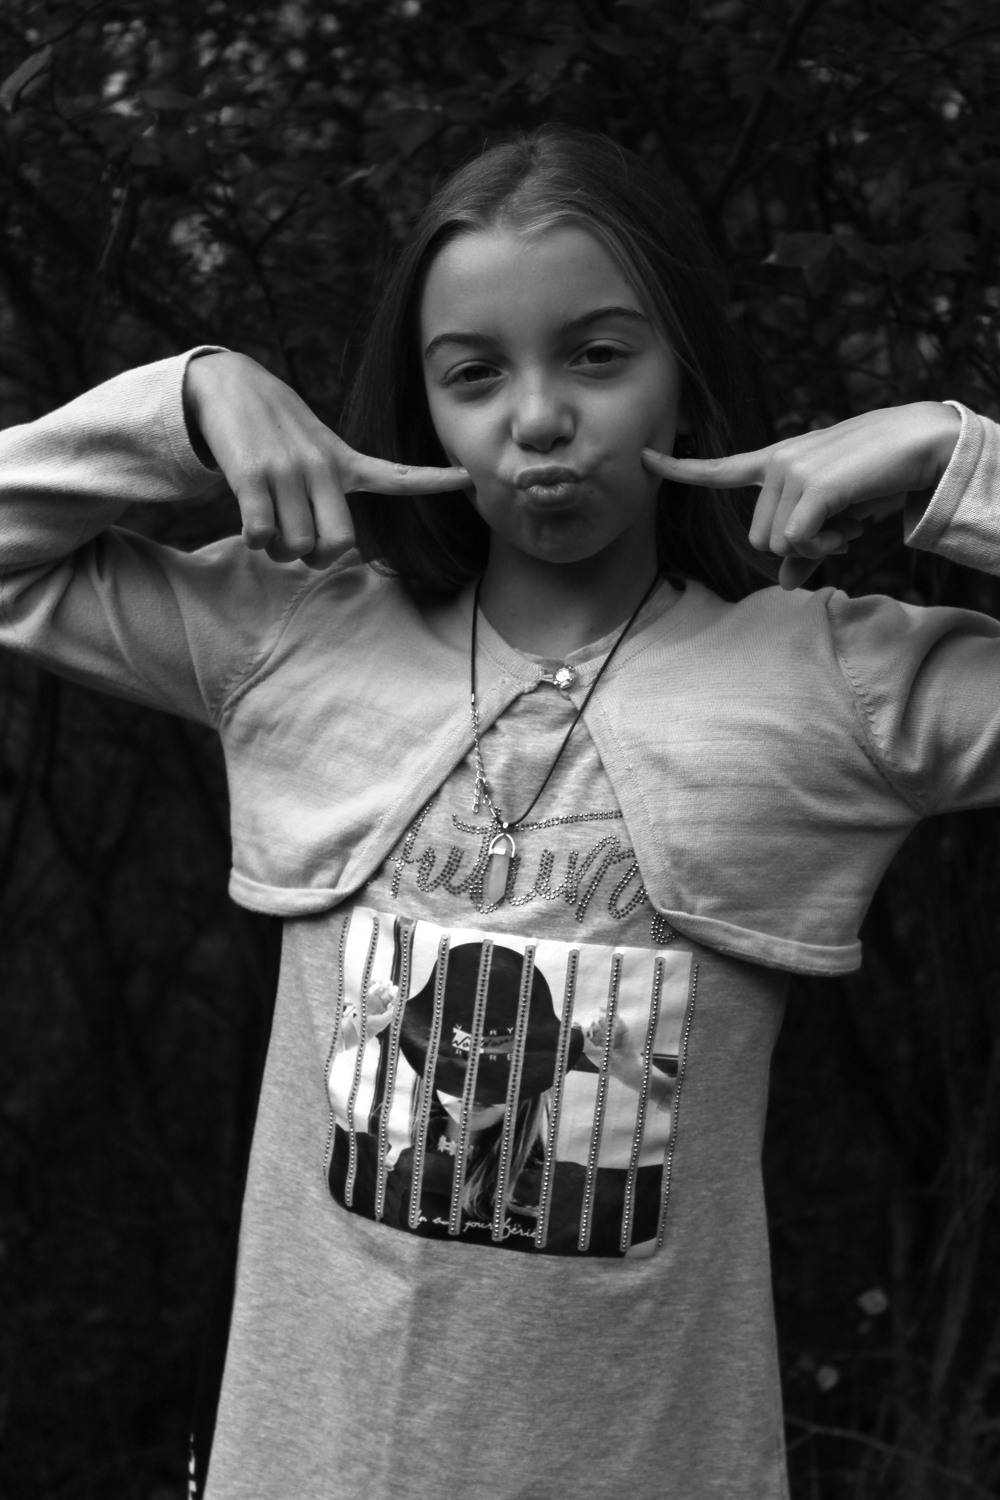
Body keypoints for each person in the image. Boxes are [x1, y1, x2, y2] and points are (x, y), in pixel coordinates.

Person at [1, 124, 997, 1499]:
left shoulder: (829, 686)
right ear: (421, 409)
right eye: (473, 373)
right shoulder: (296, 641)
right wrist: (189, 399)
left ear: (687, 377)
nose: (536, 418)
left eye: (598, 356)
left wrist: (953, 457)